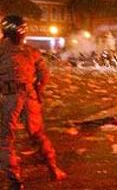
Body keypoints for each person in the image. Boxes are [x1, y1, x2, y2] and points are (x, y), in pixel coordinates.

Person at [0, 15, 67, 190]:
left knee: (5, 139)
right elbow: (44, 75)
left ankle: (15, 181)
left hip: (8, 97)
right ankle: (53, 169)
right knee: (37, 133)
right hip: (29, 94)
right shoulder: (31, 51)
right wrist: (38, 89)